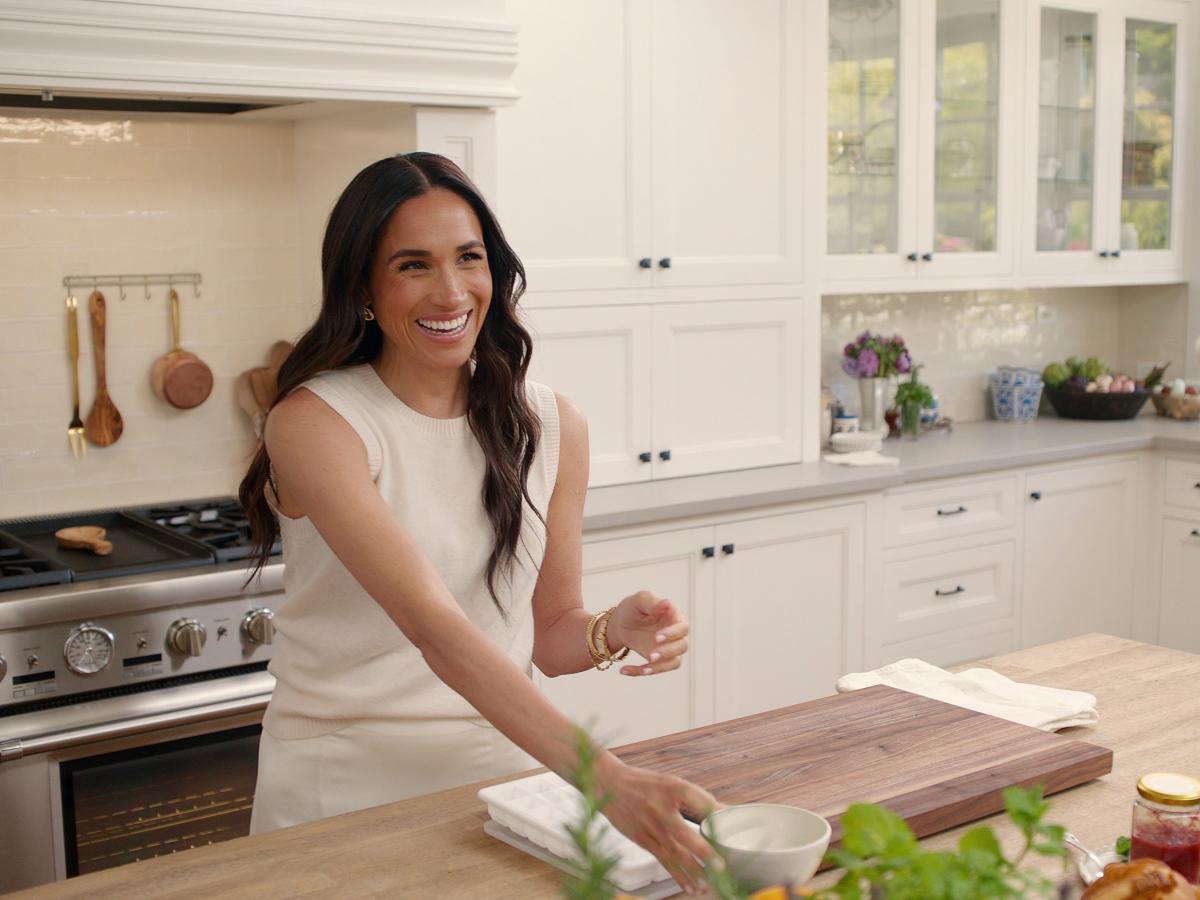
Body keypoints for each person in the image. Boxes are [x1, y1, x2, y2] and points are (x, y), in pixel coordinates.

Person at [238, 152, 717, 893]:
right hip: (340, 788)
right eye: (413, 265)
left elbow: (549, 636)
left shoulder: (551, 423)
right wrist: (609, 780)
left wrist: (612, 629)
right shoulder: (316, 425)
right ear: (363, 286)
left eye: (470, 258)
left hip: (503, 784)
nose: (452, 290)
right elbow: (437, 631)